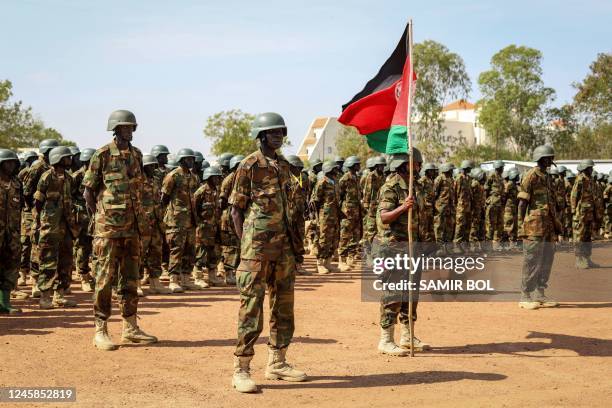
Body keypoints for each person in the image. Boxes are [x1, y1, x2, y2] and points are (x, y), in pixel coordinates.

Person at [230, 112, 306, 393]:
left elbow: (291, 209)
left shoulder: (285, 165)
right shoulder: (249, 165)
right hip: (257, 250)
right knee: (251, 307)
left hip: (284, 248)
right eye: (272, 132)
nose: (278, 136)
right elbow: (236, 210)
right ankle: (241, 367)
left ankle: (278, 361)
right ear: (261, 135)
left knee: (283, 306)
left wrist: (296, 249)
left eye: (281, 131)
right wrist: (246, 245)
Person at [83, 109, 157, 350]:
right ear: (114, 129)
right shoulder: (102, 154)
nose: (128, 130)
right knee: (104, 279)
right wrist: (100, 217)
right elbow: (88, 192)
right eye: (124, 127)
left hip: (133, 228)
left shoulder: (136, 155)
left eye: (131, 127)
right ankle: (101, 329)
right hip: (108, 230)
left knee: (130, 279)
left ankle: (130, 328)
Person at [376, 150, 430, 356]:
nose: (419, 166)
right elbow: (384, 217)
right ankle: (386, 339)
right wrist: (402, 207)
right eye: (417, 163)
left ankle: (408, 336)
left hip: (412, 247)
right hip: (394, 247)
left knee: (411, 294)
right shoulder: (391, 187)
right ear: (406, 165)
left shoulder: (416, 187)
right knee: (393, 293)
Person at [34, 146, 79, 309]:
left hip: (66, 225)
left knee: (66, 260)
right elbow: (38, 201)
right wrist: (42, 221)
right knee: (48, 260)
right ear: (58, 158)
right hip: (50, 226)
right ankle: (45, 297)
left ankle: (59, 295)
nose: (70, 160)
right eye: (67, 158)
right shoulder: (46, 177)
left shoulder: (69, 178)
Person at [517, 145, 560, 310]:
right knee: (532, 260)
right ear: (542, 159)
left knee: (547, 258)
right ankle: (525, 295)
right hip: (534, 227)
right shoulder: (530, 176)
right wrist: (522, 226)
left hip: (548, 226)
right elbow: (522, 204)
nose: (551, 161)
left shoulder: (548, 177)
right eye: (549, 158)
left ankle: (540, 293)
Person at [22, 139, 60, 297]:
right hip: (36, 210)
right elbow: (26, 191)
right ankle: (35, 282)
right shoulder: (38, 166)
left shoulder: (50, 167)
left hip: (48, 212)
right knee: (35, 245)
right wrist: (33, 210)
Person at [161, 148, 199, 292]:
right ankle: (173, 280)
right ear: (181, 160)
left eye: (192, 159)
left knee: (190, 250)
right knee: (176, 249)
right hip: (176, 220)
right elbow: (163, 198)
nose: (191, 161)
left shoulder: (193, 177)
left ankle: (186, 279)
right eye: (188, 159)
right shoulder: (173, 176)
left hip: (190, 219)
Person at [140, 154, 171, 294]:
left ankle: (155, 282)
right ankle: (136, 283)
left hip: (156, 222)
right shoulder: (137, 181)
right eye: (150, 166)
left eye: (154, 165)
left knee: (156, 252)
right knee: (138, 254)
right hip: (143, 223)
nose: (153, 168)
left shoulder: (156, 181)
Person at [193, 166, 224, 287]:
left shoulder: (217, 191)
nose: (217, 179)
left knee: (214, 253)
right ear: (208, 177)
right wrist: (199, 224)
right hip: (203, 228)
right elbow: (194, 209)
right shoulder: (201, 191)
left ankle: (212, 276)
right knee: (201, 253)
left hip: (214, 227)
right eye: (215, 177)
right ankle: (198, 277)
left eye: (218, 177)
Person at [0, 149, 23, 314]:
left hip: (12, 233)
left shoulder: (16, 183)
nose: (10, 165)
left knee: (11, 265)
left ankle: (5, 303)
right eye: (7, 162)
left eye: (13, 162)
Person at [71, 147, 96, 292]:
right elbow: (69, 196)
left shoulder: (97, 175)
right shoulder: (76, 176)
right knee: (83, 245)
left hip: (94, 214)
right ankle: (83, 276)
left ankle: (92, 274)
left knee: (95, 246)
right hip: (81, 216)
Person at [311, 161, 341, 274]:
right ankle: (320, 263)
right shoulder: (322, 182)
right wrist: (318, 216)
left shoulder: (335, 181)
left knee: (333, 239)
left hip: (335, 214)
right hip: (325, 215)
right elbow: (315, 200)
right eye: (334, 168)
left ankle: (328, 262)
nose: (336, 170)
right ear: (328, 169)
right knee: (323, 239)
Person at [219, 154, 245, 285]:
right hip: (229, 215)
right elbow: (222, 200)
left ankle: (234, 272)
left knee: (238, 244)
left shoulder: (241, 177)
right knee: (230, 245)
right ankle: (228, 273)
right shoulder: (229, 179)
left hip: (238, 214)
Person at [571, 159, 600, 269]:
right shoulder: (580, 179)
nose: (592, 169)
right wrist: (574, 210)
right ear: (585, 169)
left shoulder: (591, 180)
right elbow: (574, 195)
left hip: (589, 213)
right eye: (590, 168)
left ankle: (587, 258)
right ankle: (579, 259)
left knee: (587, 236)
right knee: (580, 236)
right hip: (581, 214)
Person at [286, 155, 311, 275]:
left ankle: (299, 266)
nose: (299, 170)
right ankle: (288, 267)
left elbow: (308, 194)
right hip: (287, 215)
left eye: (300, 167)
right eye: (297, 167)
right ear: (290, 167)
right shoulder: (284, 178)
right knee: (287, 240)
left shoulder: (304, 178)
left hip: (299, 214)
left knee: (299, 239)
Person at [337, 156, 362, 271]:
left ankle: (350, 258)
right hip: (347, 212)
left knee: (355, 235)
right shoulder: (344, 179)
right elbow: (339, 196)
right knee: (345, 236)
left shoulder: (356, 177)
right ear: (352, 165)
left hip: (356, 211)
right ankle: (342, 260)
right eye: (357, 164)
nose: (359, 166)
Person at [433, 163, 455, 254]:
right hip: (440, 208)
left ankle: (448, 247)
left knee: (449, 227)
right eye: (451, 170)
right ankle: (439, 248)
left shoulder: (451, 179)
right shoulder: (439, 179)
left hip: (449, 208)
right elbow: (434, 193)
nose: (452, 171)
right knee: (439, 227)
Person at [485, 160, 506, 250]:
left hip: (499, 204)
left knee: (499, 225)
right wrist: (487, 200)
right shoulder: (492, 176)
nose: (503, 169)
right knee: (491, 225)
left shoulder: (501, 177)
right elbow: (486, 188)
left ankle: (496, 245)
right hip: (493, 203)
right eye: (502, 167)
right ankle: (488, 245)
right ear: (498, 168)